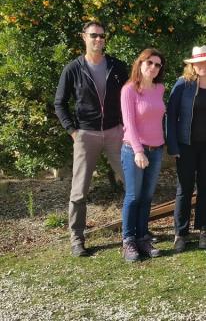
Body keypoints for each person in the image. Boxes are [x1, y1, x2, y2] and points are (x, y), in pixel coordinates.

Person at [54, 21, 129, 257]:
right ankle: (77, 239)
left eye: (102, 36)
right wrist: (73, 131)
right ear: (83, 37)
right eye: (94, 35)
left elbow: (128, 96)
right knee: (79, 191)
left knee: (132, 183)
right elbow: (60, 103)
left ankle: (134, 232)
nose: (98, 40)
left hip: (115, 132)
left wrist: (126, 126)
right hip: (86, 134)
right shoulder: (73, 69)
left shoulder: (117, 66)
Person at [166, 46, 206, 253]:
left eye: (205, 62)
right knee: (185, 189)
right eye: (198, 62)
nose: (202, 66)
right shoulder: (183, 85)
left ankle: (204, 230)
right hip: (185, 146)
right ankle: (180, 233)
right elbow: (170, 116)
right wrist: (172, 145)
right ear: (192, 65)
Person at [120, 48, 166, 262]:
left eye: (157, 65)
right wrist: (139, 151)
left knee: (147, 197)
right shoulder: (129, 90)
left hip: (157, 150)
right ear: (140, 63)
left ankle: (142, 237)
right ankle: (128, 241)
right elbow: (129, 124)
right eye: (150, 63)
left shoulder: (160, 89)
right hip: (134, 150)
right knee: (133, 196)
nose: (154, 68)